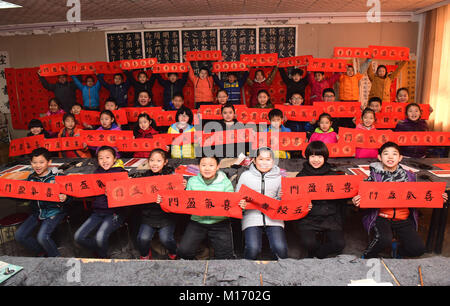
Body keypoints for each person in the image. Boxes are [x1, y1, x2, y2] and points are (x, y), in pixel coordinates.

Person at [352, 142, 448, 258]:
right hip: (381, 216)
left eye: (394, 154)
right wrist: (357, 200)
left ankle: (398, 251)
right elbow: (364, 195)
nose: (390, 157)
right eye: (386, 154)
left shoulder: (410, 177)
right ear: (379, 157)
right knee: (384, 239)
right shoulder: (373, 177)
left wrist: (437, 197)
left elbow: (419, 195)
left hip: (403, 217)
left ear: (400, 158)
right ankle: (367, 255)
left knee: (418, 249)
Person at [74, 146, 129, 258]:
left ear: (114, 159)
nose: (104, 161)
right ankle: (99, 247)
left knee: (100, 237)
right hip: (98, 211)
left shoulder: (121, 173)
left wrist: (116, 193)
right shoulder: (95, 173)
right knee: (78, 237)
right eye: (101, 158)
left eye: (108, 157)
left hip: (114, 212)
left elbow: (128, 194)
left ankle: (103, 257)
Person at [294, 141, 346, 259]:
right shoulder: (300, 177)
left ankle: (318, 255)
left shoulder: (334, 176)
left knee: (339, 244)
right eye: (312, 156)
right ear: (307, 157)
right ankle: (313, 253)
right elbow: (296, 200)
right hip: (309, 218)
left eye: (319, 156)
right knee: (308, 243)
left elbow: (342, 199)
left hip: (330, 216)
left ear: (325, 157)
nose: (316, 160)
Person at [177, 155, 235, 259]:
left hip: (219, 222)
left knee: (225, 257)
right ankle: (204, 253)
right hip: (197, 221)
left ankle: (212, 252)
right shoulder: (192, 181)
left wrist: (241, 205)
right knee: (184, 251)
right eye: (203, 165)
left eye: (211, 165)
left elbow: (232, 203)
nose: (207, 168)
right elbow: (186, 202)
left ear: (217, 167)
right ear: (198, 167)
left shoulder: (225, 183)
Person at [15, 148, 70, 257]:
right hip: (37, 212)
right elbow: (24, 197)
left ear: (49, 162)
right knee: (19, 235)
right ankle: (42, 253)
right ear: (30, 163)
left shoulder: (58, 177)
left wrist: (65, 197)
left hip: (54, 211)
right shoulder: (31, 178)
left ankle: (57, 259)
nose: (37, 165)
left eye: (41, 162)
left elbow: (70, 195)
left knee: (42, 237)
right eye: (34, 162)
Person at [236, 147, 288, 260]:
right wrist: (242, 204)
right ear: (254, 160)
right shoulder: (245, 176)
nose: (264, 163)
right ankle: (247, 272)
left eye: (268, 159)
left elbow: (284, 202)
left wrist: (282, 197)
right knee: (253, 248)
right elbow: (237, 197)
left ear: (273, 161)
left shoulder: (280, 177)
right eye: (261, 159)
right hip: (251, 216)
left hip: (274, 218)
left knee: (280, 248)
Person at [132, 149, 178, 260]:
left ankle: (174, 252)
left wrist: (182, 185)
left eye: (158, 160)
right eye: (152, 160)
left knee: (166, 239)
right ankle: (145, 254)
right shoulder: (144, 177)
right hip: (149, 215)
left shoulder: (171, 177)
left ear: (165, 162)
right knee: (142, 239)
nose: (154, 163)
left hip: (166, 215)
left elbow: (177, 197)